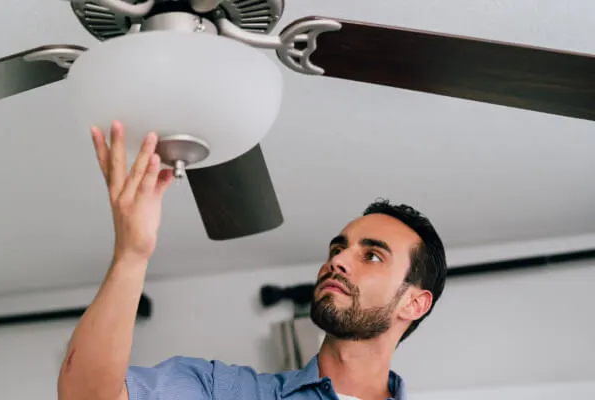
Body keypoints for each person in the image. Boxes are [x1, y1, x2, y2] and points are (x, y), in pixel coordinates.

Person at [57, 121, 447, 400]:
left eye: (373, 255)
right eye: (337, 248)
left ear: (414, 302)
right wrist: (131, 254)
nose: (339, 260)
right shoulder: (224, 391)